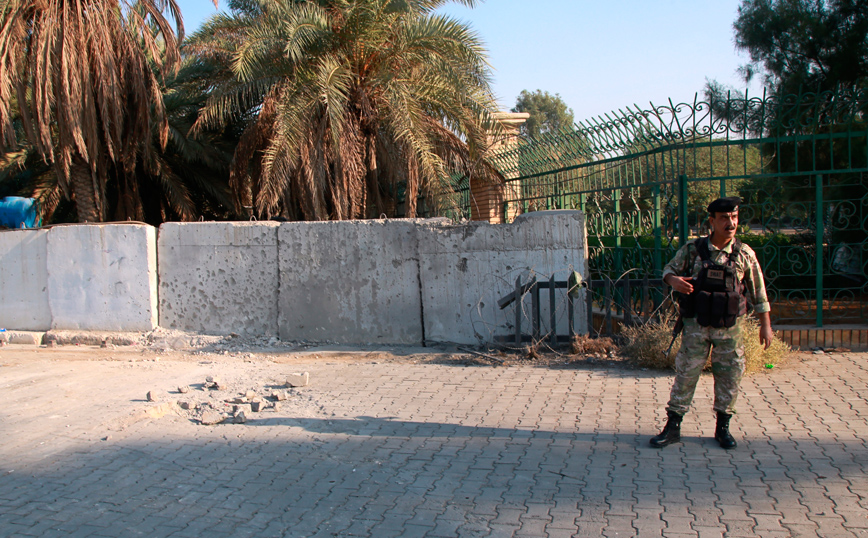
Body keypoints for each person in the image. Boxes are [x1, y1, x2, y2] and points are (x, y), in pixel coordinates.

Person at [650, 196, 774, 449]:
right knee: (686, 374)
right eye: (724, 218)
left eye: (734, 217)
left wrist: (766, 325)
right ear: (712, 221)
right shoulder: (693, 250)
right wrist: (673, 281)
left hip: (730, 329)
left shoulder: (744, 253)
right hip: (697, 326)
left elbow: (758, 292)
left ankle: (723, 428)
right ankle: (673, 427)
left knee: (730, 376)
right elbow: (668, 270)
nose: (731, 223)